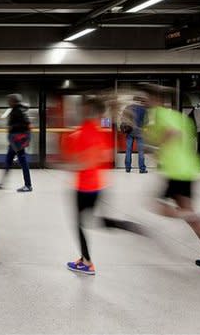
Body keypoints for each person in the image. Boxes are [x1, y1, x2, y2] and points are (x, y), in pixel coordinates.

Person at [143, 85, 200, 272]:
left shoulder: (158, 114)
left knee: (158, 206)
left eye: (147, 98)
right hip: (188, 169)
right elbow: (186, 136)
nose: (145, 102)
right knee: (188, 212)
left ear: (156, 99)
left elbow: (171, 134)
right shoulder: (179, 116)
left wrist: (156, 147)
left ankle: (191, 215)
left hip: (175, 171)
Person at [64, 98, 145, 275]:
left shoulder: (84, 131)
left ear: (87, 111)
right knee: (91, 219)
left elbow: (83, 161)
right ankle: (121, 225)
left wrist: (71, 164)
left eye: (82, 109)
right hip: (99, 186)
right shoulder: (101, 131)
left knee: (79, 223)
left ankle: (87, 262)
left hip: (84, 187)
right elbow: (105, 156)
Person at [0, 94, 32, 192]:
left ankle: (28, 185)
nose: (8, 102)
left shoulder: (19, 111)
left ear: (14, 101)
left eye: (10, 100)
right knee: (8, 161)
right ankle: (1, 183)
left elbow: (26, 126)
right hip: (14, 142)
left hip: (18, 141)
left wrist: (13, 128)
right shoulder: (16, 110)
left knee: (23, 162)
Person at [121, 96, 148, 173]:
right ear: (139, 101)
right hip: (139, 131)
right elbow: (146, 121)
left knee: (128, 150)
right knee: (141, 151)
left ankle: (128, 168)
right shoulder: (143, 109)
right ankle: (142, 169)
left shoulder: (128, 107)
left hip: (129, 131)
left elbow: (123, 118)